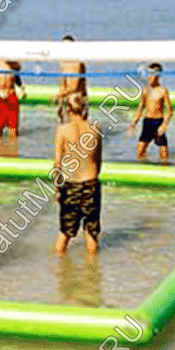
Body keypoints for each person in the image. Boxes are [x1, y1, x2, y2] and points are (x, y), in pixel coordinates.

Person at [54, 93, 102, 256]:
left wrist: (57, 188)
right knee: (91, 232)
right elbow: (98, 160)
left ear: (68, 109)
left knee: (65, 233)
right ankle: (93, 269)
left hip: (71, 184)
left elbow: (57, 164)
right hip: (91, 183)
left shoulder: (63, 130)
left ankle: (59, 268)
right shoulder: (95, 129)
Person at [129, 62, 173, 163]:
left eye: (153, 74)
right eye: (149, 74)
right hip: (147, 122)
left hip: (159, 123)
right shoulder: (146, 91)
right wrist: (133, 123)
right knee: (140, 152)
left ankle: (165, 169)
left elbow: (169, 112)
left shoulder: (163, 91)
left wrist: (164, 125)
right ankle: (143, 169)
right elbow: (140, 109)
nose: (150, 77)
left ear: (158, 76)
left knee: (164, 157)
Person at [0, 59, 26, 152]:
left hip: (11, 97)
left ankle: (12, 153)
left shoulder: (14, 64)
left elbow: (18, 79)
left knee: (13, 132)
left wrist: (21, 89)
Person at [51, 35, 87, 123]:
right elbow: (62, 85)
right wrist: (60, 104)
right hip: (67, 97)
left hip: (76, 99)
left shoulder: (77, 62)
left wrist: (58, 96)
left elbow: (74, 86)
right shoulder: (63, 62)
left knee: (73, 99)